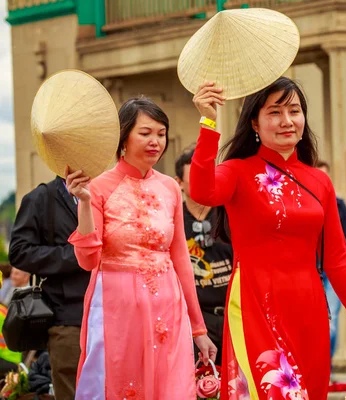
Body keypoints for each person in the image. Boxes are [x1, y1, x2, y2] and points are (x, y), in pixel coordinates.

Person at [190, 78, 346, 399]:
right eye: (275, 112)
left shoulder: (319, 181)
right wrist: (209, 123)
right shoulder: (237, 171)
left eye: (294, 111)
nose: (286, 121)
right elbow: (202, 190)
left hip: (309, 310)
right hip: (257, 303)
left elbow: (338, 261)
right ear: (254, 122)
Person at [66, 96, 217, 399]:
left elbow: (180, 260)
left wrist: (198, 329)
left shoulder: (171, 187)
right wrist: (83, 203)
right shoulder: (97, 187)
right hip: (117, 308)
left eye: (161, 134)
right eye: (145, 133)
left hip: (168, 304)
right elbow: (87, 260)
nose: (155, 142)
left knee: (171, 388)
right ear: (123, 137)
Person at [9, 169, 90, 400]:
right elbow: (19, 252)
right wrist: (78, 255)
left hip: (113, 313)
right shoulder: (40, 198)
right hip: (67, 317)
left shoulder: (109, 191)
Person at [175, 149, 234, 366]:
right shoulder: (173, 218)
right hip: (193, 322)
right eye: (193, 179)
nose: (201, 184)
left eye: (206, 178)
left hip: (232, 317)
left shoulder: (229, 214)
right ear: (179, 182)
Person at [314, 160, 346, 360]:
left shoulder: (338, 204)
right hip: (310, 268)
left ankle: (327, 367)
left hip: (333, 271)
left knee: (330, 321)